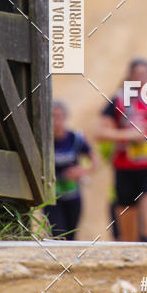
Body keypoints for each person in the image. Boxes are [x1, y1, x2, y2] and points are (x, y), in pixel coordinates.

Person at [96, 58, 147, 242]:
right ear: (130, 76)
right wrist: (130, 136)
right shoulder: (119, 100)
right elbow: (100, 132)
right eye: (137, 74)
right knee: (128, 238)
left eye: (144, 74)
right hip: (125, 169)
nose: (141, 78)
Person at [44, 101, 95, 240]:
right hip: (52, 198)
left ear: (65, 117)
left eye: (59, 116)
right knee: (58, 235)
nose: (56, 121)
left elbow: (94, 160)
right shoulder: (43, 140)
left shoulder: (75, 138)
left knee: (71, 237)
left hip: (73, 196)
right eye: (52, 116)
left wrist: (81, 171)